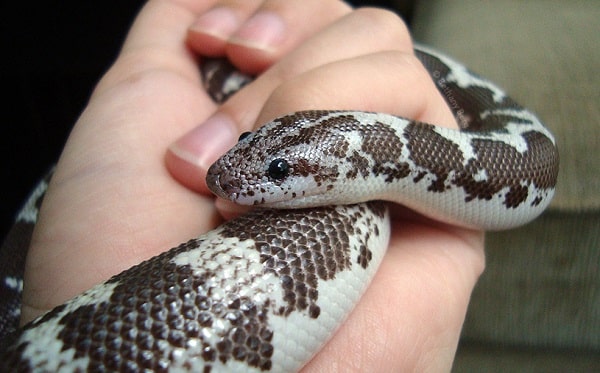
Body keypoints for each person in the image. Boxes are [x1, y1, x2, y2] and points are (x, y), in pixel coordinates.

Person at [21, 0, 484, 371]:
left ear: (351, 169)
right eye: (245, 143)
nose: (226, 177)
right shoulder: (354, 186)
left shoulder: (371, 181)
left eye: (279, 172)